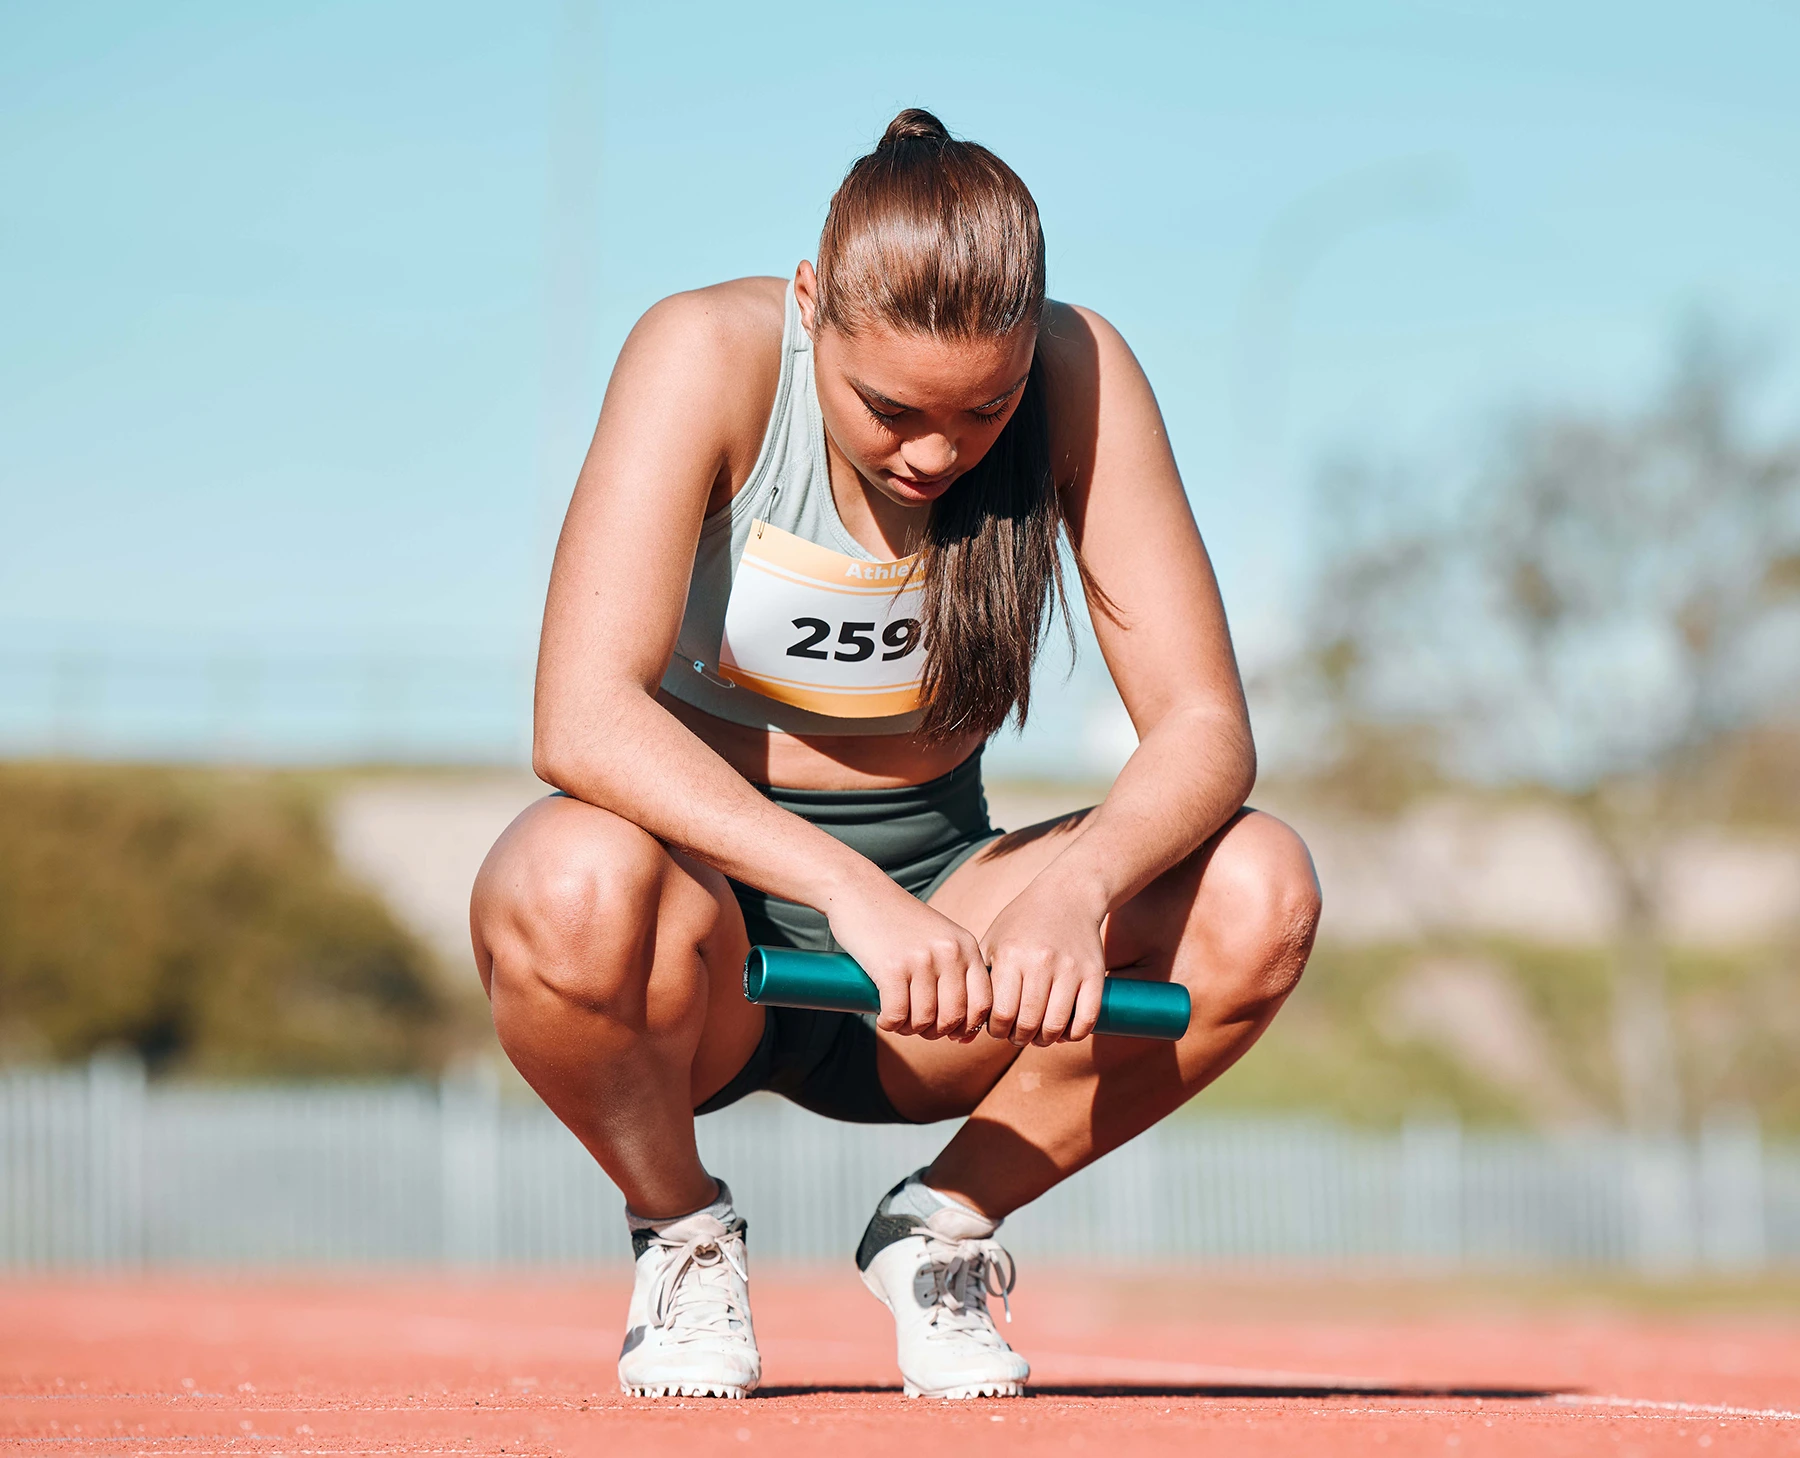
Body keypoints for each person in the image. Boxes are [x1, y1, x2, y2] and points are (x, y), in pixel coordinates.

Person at [471, 108, 1321, 1401]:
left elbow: (1208, 727)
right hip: (707, 948)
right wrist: (843, 891)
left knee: (1261, 889)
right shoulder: (702, 355)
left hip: (941, 958)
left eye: (983, 411)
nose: (935, 454)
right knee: (562, 882)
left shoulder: (1084, 373)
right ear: (811, 301)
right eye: (890, 410)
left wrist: (1073, 893)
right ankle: (682, 1233)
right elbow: (580, 717)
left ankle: (939, 1233)